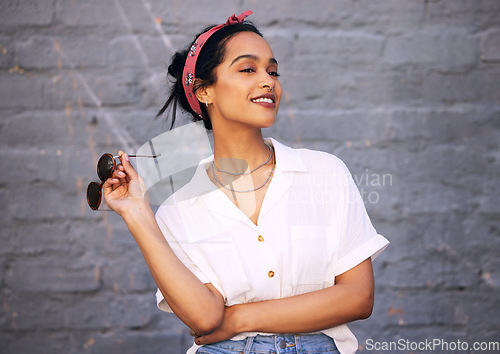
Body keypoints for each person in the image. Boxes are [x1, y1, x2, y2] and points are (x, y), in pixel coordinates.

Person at [102, 11, 389, 354]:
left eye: (273, 71)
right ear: (205, 90)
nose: (268, 81)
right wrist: (136, 213)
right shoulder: (180, 209)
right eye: (248, 69)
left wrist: (238, 319)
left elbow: (358, 298)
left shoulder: (324, 173)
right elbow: (205, 318)